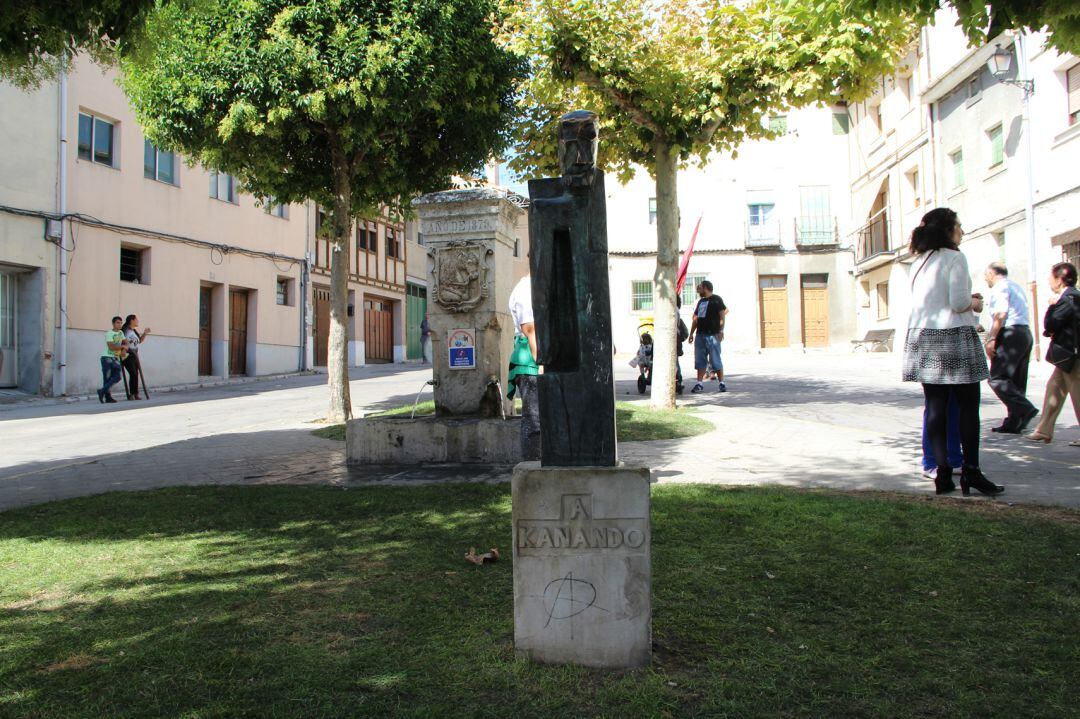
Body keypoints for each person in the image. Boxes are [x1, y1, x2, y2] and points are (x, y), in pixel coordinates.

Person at [902, 208, 1002, 496]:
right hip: (953, 336)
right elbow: (958, 302)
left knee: (935, 408)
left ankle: (942, 473)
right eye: (959, 226)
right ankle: (971, 472)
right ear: (948, 230)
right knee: (968, 407)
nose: (961, 231)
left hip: (923, 337)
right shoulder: (955, 258)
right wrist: (976, 303)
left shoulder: (919, 262)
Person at [1025, 262, 1080, 446]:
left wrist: (1051, 307)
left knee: (1077, 394)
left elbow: (1051, 324)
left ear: (1060, 279)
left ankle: (1044, 429)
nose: (1049, 280)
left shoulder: (1068, 298)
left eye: (1051, 276)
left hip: (1072, 357)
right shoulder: (1072, 297)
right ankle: (1044, 429)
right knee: (1054, 389)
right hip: (1067, 356)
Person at [983, 262, 1038, 433]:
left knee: (997, 378)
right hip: (1023, 333)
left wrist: (991, 338)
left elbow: (1001, 314)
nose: (986, 279)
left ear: (992, 273)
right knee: (1016, 381)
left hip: (1010, 334)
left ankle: (1025, 409)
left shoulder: (1000, 287)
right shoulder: (1016, 287)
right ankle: (1014, 422)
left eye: (986, 275)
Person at [507, 274, 540, 460]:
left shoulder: (538, 283)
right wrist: (540, 363)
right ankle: (533, 468)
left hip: (535, 360)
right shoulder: (527, 288)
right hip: (531, 362)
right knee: (535, 422)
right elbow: (530, 329)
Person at [687, 280, 727, 393]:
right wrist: (691, 333)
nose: (698, 288)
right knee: (700, 360)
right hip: (700, 335)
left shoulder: (717, 299)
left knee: (715, 360)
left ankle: (721, 383)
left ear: (705, 288)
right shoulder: (700, 302)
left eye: (699, 286)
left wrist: (721, 331)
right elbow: (696, 319)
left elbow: (722, 316)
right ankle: (699, 383)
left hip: (713, 335)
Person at [121, 314, 151, 400]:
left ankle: (135, 393)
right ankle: (131, 394)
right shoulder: (125, 330)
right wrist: (123, 350)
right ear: (131, 320)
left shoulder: (134, 331)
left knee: (136, 374)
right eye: (136, 320)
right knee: (133, 373)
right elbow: (121, 341)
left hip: (134, 354)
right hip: (127, 354)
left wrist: (145, 333)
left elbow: (139, 341)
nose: (138, 321)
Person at [97, 316, 126, 404]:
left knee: (118, 376)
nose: (119, 324)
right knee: (107, 378)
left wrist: (124, 350)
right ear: (113, 324)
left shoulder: (121, 332)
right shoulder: (109, 333)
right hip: (106, 357)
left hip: (114, 358)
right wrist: (122, 347)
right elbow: (111, 346)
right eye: (117, 323)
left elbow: (126, 342)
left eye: (121, 323)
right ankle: (108, 397)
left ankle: (102, 391)